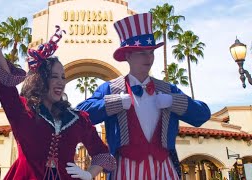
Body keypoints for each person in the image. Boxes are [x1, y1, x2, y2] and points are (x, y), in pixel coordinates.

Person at [0, 0, 116, 179]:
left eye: (63, 77)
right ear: (41, 79)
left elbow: (102, 154)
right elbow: (2, 69)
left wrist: (89, 174)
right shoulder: (22, 111)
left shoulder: (76, 119)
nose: (60, 82)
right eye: (54, 76)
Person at [76, 13, 211, 179]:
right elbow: (80, 115)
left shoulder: (167, 89)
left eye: (151, 53)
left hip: (164, 169)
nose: (149, 58)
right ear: (128, 56)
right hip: (125, 170)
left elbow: (202, 115)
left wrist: (173, 101)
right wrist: (114, 102)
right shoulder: (111, 89)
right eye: (142, 53)